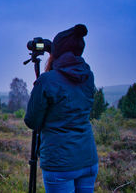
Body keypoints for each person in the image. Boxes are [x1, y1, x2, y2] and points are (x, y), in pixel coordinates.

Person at [24, 24, 98, 193]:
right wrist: (55, 51)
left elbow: (32, 121)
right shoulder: (88, 76)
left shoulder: (47, 80)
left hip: (60, 163)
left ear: (57, 52)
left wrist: (52, 57)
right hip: (88, 159)